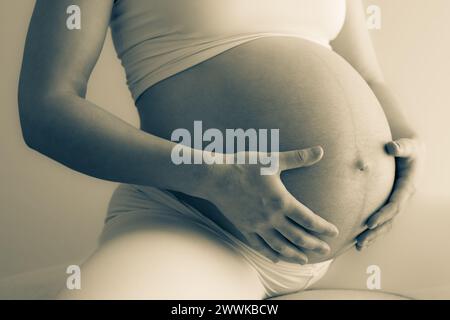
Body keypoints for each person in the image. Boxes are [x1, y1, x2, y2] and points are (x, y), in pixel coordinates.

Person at [18, 0, 423, 299]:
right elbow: (48, 109)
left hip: (363, 240)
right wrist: (213, 177)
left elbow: (369, 76)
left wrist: (407, 147)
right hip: (199, 228)